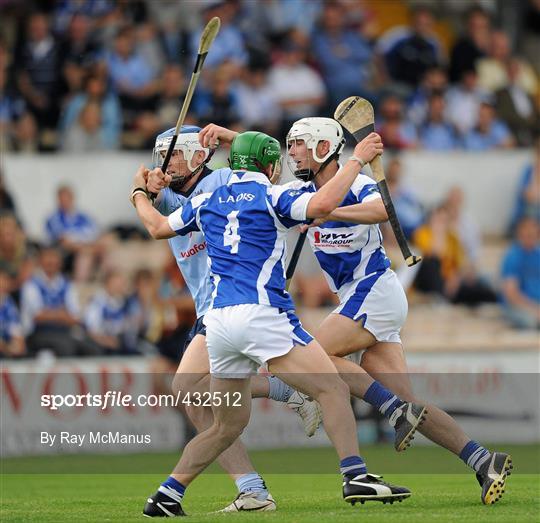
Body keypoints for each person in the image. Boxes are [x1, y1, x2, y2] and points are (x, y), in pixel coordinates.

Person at [199, 119, 512, 505]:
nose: (292, 151)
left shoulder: (355, 183)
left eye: (299, 144)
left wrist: (330, 213)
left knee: (317, 357)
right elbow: (261, 169)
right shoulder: (300, 192)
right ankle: (483, 460)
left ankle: (385, 410)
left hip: (375, 290)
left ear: (322, 148)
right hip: (358, 299)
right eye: (290, 145)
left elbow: (382, 208)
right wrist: (232, 139)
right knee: (412, 404)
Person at [134, 130, 415, 517]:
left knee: (225, 425)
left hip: (218, 323)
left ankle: (167, 494)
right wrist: (356, 160)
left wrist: (138, 193)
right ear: (269, 167)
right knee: (331, 387)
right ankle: (356, 475)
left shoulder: (206, 199)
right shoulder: (273, 194)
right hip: (262, 314)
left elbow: (155, 227)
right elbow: (325, 201)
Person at [139, 125, 324, 513]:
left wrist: (230, 136)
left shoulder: (224, 179)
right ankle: (252, 488)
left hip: (234, 304)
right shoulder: (166, 197)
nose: (166, 162)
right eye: (162, 156)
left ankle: (289, 394)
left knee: (187, 387)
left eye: (174, 154)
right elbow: (150, 202)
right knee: (197, 403)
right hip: (210, 309)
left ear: (198, 155)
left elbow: (269, 163)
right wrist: (143, 188)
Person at [500, 217, 540, 330]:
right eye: (527, 232)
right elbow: (511, 294)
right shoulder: (513, 256)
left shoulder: (538, 254)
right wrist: (534, 309)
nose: (530, 235)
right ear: (520, 233)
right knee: (530, 322)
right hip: (518, 307)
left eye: (533, 232)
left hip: (537, 305)